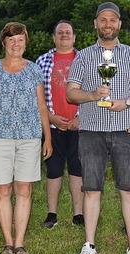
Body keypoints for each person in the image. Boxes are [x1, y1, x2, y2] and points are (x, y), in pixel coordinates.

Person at [67, 2, 130, 254]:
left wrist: (125, 102)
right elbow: (71, 92)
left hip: (125, 129)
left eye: (112, 20)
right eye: (102, 20)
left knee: (129, 189)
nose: (107, 24)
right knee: (91, 189)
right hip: (91, 130)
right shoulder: (82, 56)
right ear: (95, 24)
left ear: (119, 24)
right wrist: (93, 95)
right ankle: (89, 244)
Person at [0, 22, 52, 254]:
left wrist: (47, 138)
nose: (16, 44)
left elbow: (42, 107)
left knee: (24, 188)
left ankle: (19, 243)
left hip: (29, 138)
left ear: (26, 42)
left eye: (20, 39)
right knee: (3, 188)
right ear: (4, 43)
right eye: (11, 40)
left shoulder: (34, 71)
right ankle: (7, 243)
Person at [36, 20, 84, 228]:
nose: (64, 35)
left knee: (77, 169)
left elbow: (94, 91)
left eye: (68, 32)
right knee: (54, 169)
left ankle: (78, 214)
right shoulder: (42, 61)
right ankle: (51, 214)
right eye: (60, 32)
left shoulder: (85, 60)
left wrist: (79, 118)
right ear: (54, 37)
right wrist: (50, 117)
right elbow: (36, 97)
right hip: (52, 125)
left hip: (79, 125)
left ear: (74, 37)